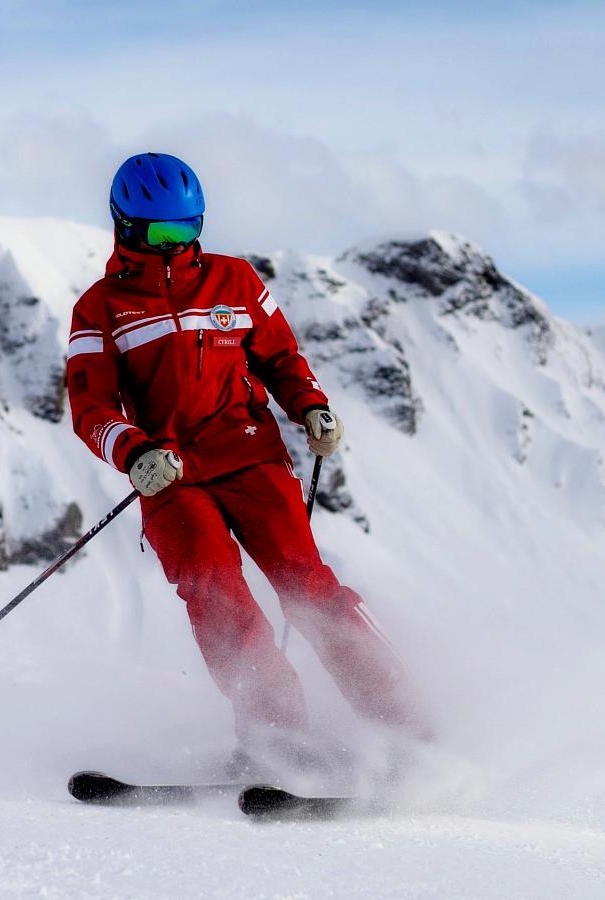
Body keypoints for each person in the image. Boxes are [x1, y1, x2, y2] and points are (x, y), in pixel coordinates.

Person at [66, 152, 425, 760]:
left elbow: (281, 357)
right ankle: (275, 733)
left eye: (191, 228)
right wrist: (133, 453)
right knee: (213, 585)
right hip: (170, 475)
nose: (181, 245)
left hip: (251, 456)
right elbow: (90, 409)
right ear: (126, 227)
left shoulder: (235, 280)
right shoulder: (100, 309)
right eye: (164, 234)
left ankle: (404, 720)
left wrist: (310, 406)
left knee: (306, 583)